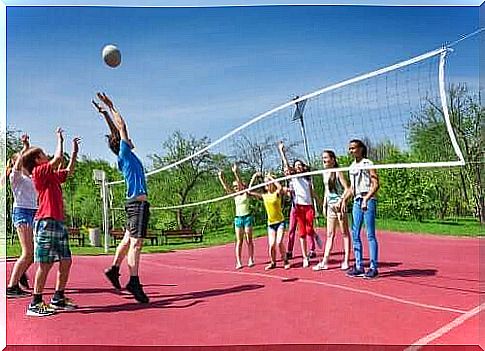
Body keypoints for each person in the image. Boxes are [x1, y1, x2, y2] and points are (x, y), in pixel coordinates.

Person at [93, 92, 151, 303]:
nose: (129, 139)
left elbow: (116, 133)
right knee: (136, 244)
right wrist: (111, 106)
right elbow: (121, 128)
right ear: (123, 143)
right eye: (126, 139)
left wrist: (105, 116)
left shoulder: (124, 155)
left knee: (127, 240)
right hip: (137, 203)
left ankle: (113, 269)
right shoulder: (125, 154)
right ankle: (134, 282)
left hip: (132, 204)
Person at [22, 128, 80, 316]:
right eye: (42, 154)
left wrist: (74, 153)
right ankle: (35, 302)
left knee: (66, 261)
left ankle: (58, 298)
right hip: (46, 221)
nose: (46, 155)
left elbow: (69, 171)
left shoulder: (52, 176)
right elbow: (56, 159)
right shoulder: (38, 173)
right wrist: (60, 139)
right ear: (37, 160)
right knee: (45, 264)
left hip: (58, 222)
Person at [277, 142, 320, 268]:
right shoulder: (294, 178)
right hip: (298, 207)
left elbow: (312, 193)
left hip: (309, 207)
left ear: (303, 167)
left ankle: (314, 237)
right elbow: (286, 165)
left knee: (309, 229)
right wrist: (282, 151)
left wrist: (320, 203)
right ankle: (305, 257)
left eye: (300, 165)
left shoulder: (307, 179)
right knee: (301, 233)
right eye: (296, 166)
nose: (298, 167)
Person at [6, 134, 37, 298]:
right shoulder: (15, 176)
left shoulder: (29, 177)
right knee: (27, 254)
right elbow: (18, 165)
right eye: (20, 158)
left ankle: (20, 273)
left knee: (31, 255)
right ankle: (11, 287)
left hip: (32, 212)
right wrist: (25, 147)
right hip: (22, 212)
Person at [344, 139, 380, 279]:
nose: (351, 150)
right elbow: (352, 188)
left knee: (370, 234)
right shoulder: (351, 166)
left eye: (353, 148)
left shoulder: (368, 163)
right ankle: (359, 266)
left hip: (368, 199)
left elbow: (376, 184)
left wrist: (366, 198)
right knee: (355, 233)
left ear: (360, 149)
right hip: (357, 200)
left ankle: (373, 267)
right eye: (350, 148)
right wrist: (343, 200)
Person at [313, 150, 351, 271]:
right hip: (330, 207)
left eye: (325, 157)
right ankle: (325, 261)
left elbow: (347, 189)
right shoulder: (325, 173)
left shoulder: (338, 172)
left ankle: (346, 260)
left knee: (345, 233)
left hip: (339, 207)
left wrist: (341, 201)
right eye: (322, 157)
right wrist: (324, 205)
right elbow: (326, 191)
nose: (323, 160)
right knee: (330, 234)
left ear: (332, 159)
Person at [218, 164, 258, 269]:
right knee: (239, 241)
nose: (236, 188)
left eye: (237, 186)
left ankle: (251, 259)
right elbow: (226, 187)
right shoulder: (235, 195)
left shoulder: (245, 193)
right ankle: (239, 261)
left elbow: (240, 183)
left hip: (247, 217)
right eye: (234, 187)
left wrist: (236, 172)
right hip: (238, 219)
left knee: (249, 239)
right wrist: (221, 178)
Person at [251, 172, 290, 270]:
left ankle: (285, 260)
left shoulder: (276, 193)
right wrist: (254, 177)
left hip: (280, 222)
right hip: (271, 224)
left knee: (279, 242)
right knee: (272, 245)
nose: (267, 185)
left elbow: (280, 188)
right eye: (265, 183)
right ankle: (273, 262)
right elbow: (249, 191)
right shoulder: (264, 196)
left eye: (268, 183)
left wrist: (270, 178)